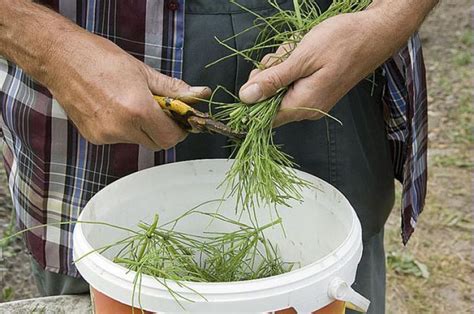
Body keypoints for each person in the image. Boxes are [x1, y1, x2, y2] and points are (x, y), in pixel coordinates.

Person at [0, 0, 438, 313]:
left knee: (319, 277)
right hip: (86, 86)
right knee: (115, 284)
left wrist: (389, 15)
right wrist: (48, 47)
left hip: (330, 68)